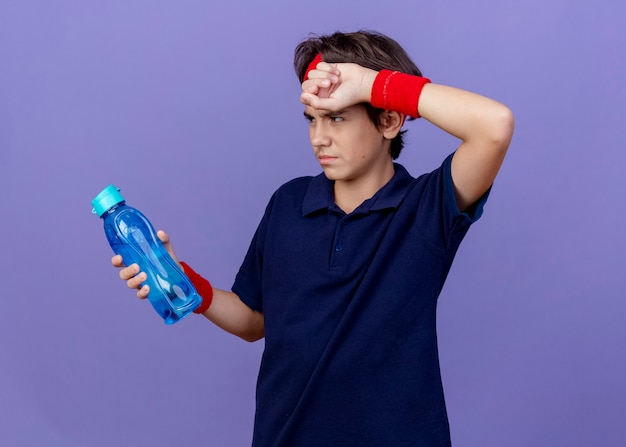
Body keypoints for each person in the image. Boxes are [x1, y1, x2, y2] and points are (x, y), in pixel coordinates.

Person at [113, 30, 514, 446]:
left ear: (390, 120)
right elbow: (254, 321)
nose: (318, 137)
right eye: (312, 118)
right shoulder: (288, 203)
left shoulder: (427, 207)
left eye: (337, 116)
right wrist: (185, 280)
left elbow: (494, 127)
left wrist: (369, 83)